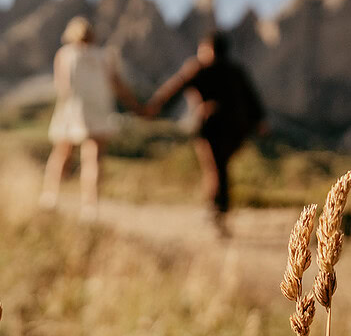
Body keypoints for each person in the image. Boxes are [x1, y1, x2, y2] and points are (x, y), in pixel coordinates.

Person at [145, 30, 266, 237]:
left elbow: (174, 87)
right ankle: (218, 210)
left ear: (209, 49)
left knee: (215, 168)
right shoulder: (236, 71)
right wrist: (260, 121)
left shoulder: (199, 68)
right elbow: (252, 97)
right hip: (237, 128)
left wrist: (154, 107)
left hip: (212, 127)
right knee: (219, 167)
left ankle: (217, 211)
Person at [41, 16, 139, 218]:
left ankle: (50, 197)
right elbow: (118, 85)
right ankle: (89, 206)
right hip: (99, 111)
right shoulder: (106, 56)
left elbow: (62, 87)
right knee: (93, 158)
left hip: (72, 109)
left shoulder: (65, 54)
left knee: (61, 153)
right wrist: (137, 107)